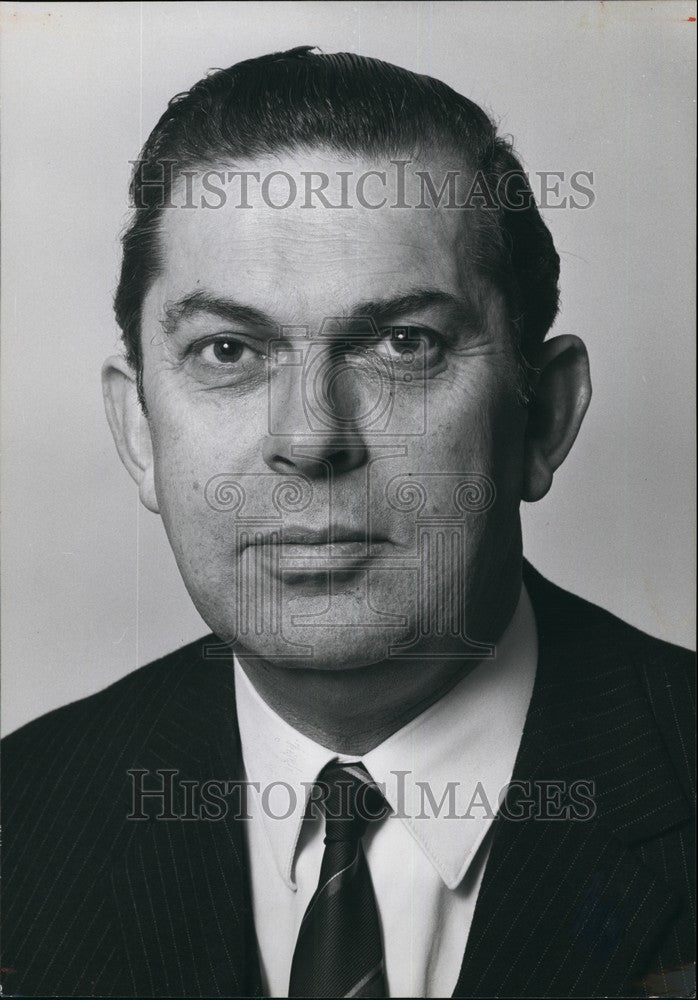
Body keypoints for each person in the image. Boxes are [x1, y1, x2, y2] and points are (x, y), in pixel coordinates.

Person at [1, 47, 694, 999]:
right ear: (140, 434)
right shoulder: (21, 819)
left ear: (543, 415)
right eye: (229, 349)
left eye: (404, 344)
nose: (309, 438)